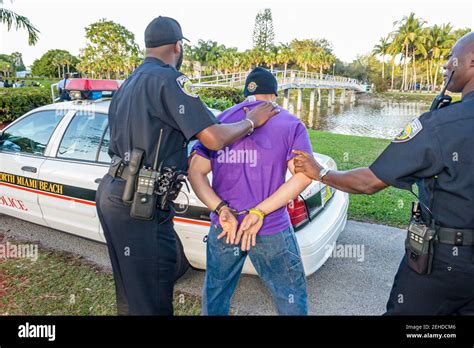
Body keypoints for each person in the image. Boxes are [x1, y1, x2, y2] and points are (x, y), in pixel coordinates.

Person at [95, 16, 279, 316]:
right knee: (153, 291)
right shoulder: (169, 79)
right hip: (141, 201)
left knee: (131, 292)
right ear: (178, 47)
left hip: (113, 193)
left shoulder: (128, 83)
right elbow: (214, 138)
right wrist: (251, 121)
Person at [292, 32, 474, 315]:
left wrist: (321, 173)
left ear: (471, 62)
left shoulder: (442, 125)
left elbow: (369, 181)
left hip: (446, 263)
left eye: (452, 60)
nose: (446, 68)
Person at [188, 67, 313, 315]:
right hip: (270, 227)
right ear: (275, 94)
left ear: (246, 93)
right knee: (290, 297)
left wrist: (221, 209)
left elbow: (196, 172)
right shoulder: (290, 124)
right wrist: (259, 211)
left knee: (216, 294)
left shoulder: (219, 122)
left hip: (226, 227)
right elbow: (304, 176)